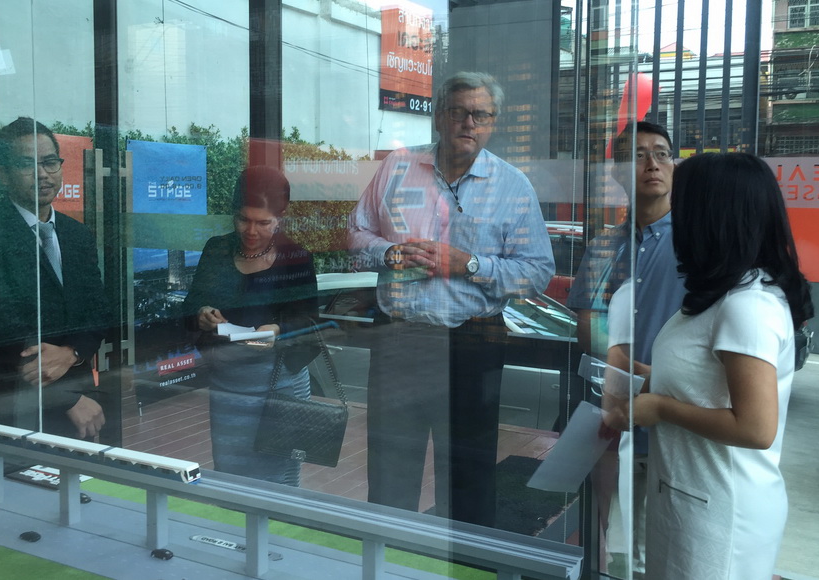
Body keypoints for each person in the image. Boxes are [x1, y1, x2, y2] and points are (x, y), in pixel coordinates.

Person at [348, 72, 554, 526]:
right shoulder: (397, 167)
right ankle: (388, 556)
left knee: (469, 474)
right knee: (389, 467)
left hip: (472, 342)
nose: (469, 123)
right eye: (458, 112)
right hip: (399, 338)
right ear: (440, 117)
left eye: (481, 115)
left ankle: (464, 560)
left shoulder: (512, 185)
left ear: (493, 122)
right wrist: (389, 253)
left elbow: (537, 272)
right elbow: (356, 234)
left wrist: (471, 265)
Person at [633, 153, 813, 580]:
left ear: (710, 216)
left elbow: (755, 427)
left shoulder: (748, 306)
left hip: (719, 514)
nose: (677, 217)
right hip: (690, 498)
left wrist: (660, 407)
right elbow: (706, 380)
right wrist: (648, 379)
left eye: (683, 205)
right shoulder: (721, 294)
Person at [566, 121, 685, 574]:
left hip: (676, 424)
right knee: (606, 545)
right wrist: (621, 378)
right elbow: (588, 325)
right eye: (637, 155)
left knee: (667, 552)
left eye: (662, 153)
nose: (652, 163)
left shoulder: (698, 243)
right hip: (613, 419)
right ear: (616, 173)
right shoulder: (604, 248)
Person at [0, 117, 108, 439]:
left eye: (50, 162)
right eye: (26, 165)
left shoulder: (77, 235)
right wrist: (65, 397)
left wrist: (72, 353)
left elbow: (96, 310)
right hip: (8, 398)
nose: (42, 174)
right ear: (3, 175)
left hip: (78, 387)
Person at [183, 166, 318, 486]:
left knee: (279, 480)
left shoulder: (295, 257)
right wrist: (202, 313)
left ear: (280, 217)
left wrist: (278, 331)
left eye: (263, 223)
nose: (252, 231)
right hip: (229, 383)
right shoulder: (217, 250)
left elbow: (308, 321)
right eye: (243, 220)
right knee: (231, 476)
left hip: (281, 383)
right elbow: (190, 305)